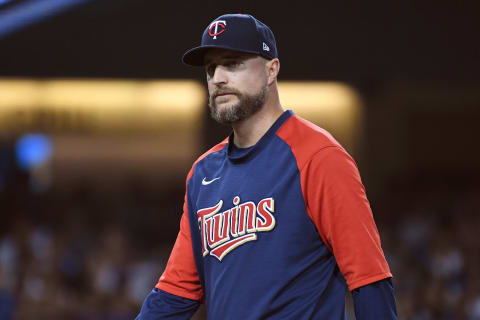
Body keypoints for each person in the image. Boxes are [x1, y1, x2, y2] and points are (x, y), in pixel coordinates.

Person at [137, 13, 397, 320]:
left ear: (271, 69)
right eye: (211, 68)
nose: (218, 77)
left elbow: (369, 278)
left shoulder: (319, 156)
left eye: (233, 63)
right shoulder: (203, 172)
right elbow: (176, 291)